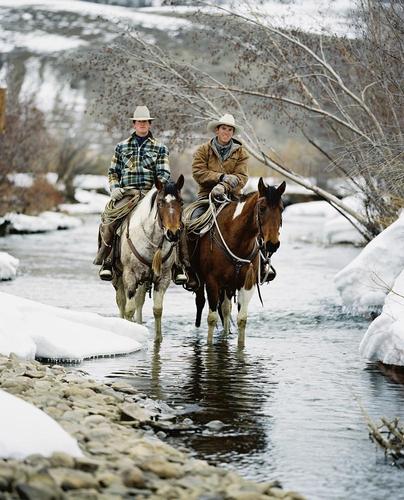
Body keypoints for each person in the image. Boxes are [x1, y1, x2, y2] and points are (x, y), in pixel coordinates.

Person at [93, 105, 170, 281]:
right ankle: (107, 260)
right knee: (109, 220)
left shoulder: (160, 148)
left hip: (151, 195)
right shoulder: (121, 147)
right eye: (139, 121)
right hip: (127, 194)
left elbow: (164, 174)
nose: (142, 124)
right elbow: (113, 172)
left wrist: (156, 190)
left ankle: (179, 265)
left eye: (145, 122)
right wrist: (114, 188)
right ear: (134, 124)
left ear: (149, 124)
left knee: (173, 222)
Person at [175, 113, 249, 288]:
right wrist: (221, 177)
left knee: (254, 224)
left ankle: (261, 264)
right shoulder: (203, 150)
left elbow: (242, 177)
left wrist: (225, 187)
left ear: (233, 132)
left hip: (232, 198)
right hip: (206, 198)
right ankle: (188, 267)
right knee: (189, 224)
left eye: (230, 129)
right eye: (224, 128)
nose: (226, 132)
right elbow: (198, 173)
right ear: (217, 130)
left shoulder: (241, 153)